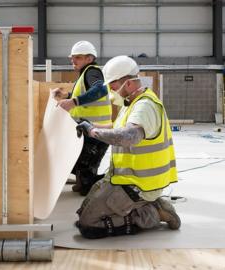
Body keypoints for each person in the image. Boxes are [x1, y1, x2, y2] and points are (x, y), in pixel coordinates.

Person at [74, 55, 180, 239]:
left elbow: (128, 136)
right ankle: (147, 205)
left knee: (88, 226)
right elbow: (116, 128)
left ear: (129, 83)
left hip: (140, 184)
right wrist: (90, 125)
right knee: (81, 213)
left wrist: (92, 131)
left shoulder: (145, 106)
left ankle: (153, 212)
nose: (111, 91)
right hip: (124, 176)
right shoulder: (130, 103)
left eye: (113, 86)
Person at [53, 41, 112, 196]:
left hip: (95, 129)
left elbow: (100, 90)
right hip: (89, 128)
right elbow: (84, 96)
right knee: (81, 164)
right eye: (72, 58)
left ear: (89, 58)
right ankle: (84, 183)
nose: (73, 61)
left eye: (78, 57)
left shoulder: (92, 72)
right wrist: (67, 96)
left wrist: (73, 102)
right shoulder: (85, 74)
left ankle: (103, 184)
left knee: (85, 166)